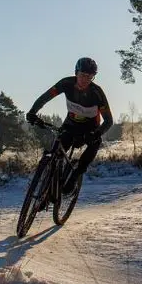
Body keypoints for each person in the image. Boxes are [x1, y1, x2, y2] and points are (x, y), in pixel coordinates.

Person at [26, 57, 113, 193]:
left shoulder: (96, 93)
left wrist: (95, 134)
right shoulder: (66, 83)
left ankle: (76, 175)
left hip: (90, 129)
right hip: (71, 125)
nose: (85, 80)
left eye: (90, 77)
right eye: (83, 75)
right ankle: (48, 188)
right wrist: (33, 112)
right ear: (76, 73)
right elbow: (45, 97)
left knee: (96, 141)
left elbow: (108, 121)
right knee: (55, 152)